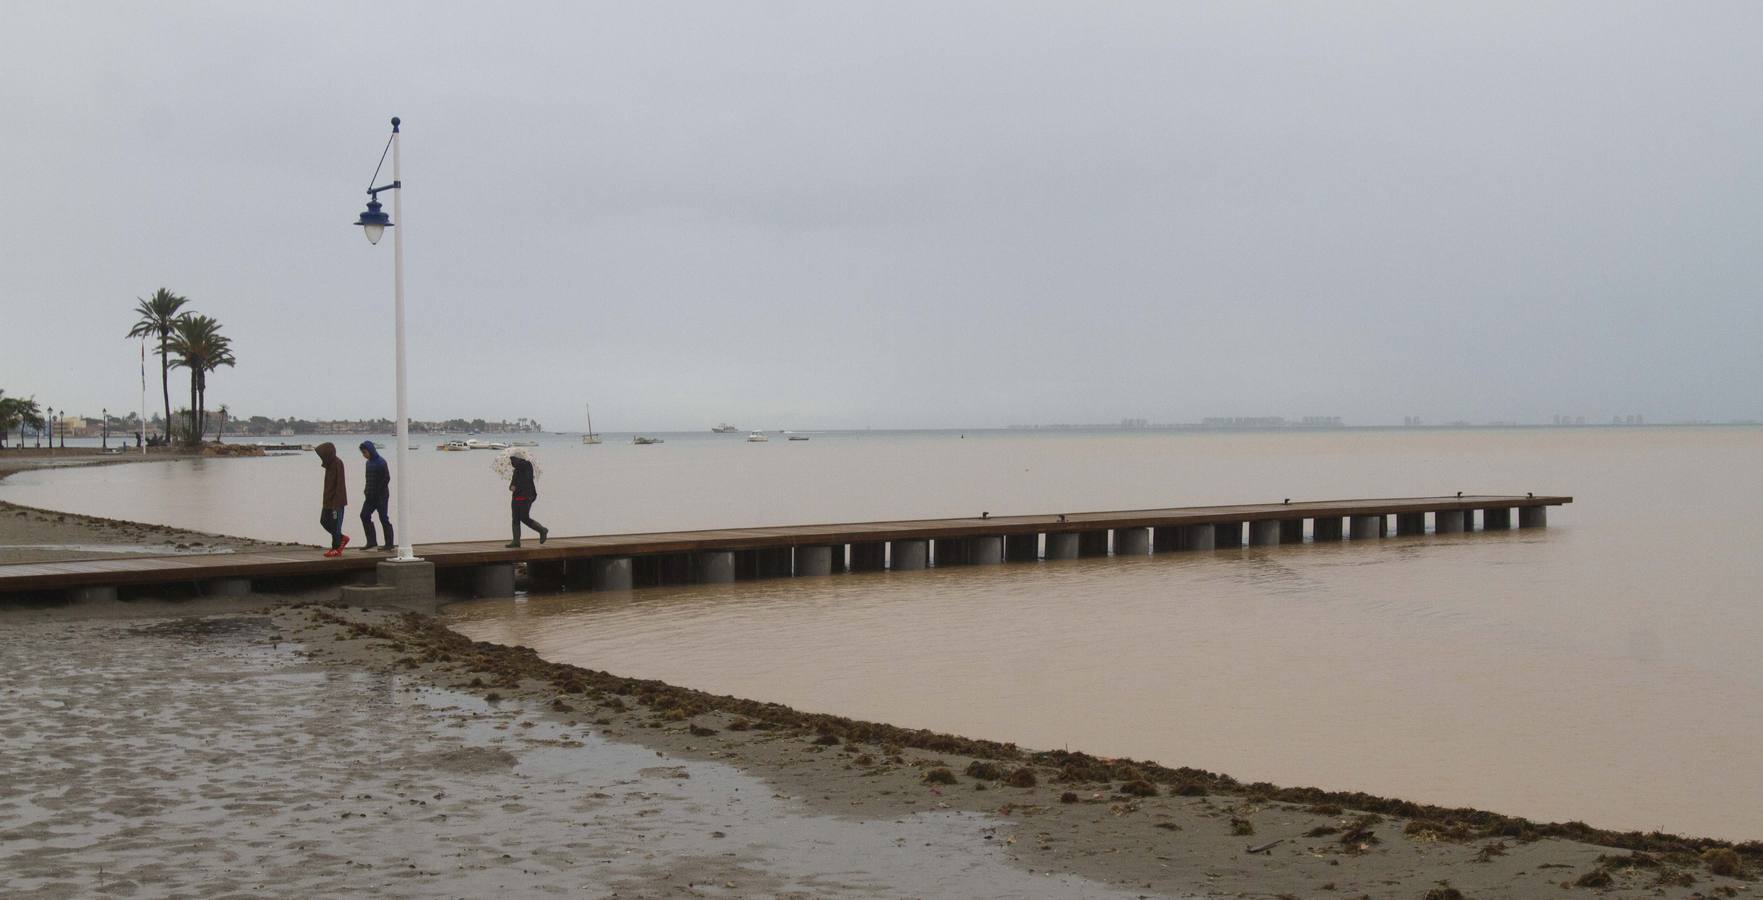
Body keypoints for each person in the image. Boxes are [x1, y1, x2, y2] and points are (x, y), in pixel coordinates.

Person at [507, 448, 548, 548]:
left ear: (518, 459)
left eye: (513, 459)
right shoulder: (516, 470)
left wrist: (517, 486)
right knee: (515, 518)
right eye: (511, 460)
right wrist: (511, 487)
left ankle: (542, 530)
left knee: (524, 517)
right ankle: (516, 541)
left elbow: (527, 479)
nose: (511, 462)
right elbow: (513, 483)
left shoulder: (527, 465)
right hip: (516, 496)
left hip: (526, 496)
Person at [315, 442, 349, 557]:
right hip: (327, 501)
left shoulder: (337, 463)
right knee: (324, 521)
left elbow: (340, 484)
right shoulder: (328, 465)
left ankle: (336, 548)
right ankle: (341, 538)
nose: (321, 458)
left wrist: (336, 502)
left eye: (322, 455)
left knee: (335, 525)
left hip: (337, 502)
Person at [358, 440, 393, 551]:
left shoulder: (381, 462)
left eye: (365, 452)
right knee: (364, 515)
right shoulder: (368, 463)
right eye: (362, 453)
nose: (364, 455)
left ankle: (389, 543)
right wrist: (366, 491)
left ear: (371, 450)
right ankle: (371, 541)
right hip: (369, 496)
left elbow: (387, 478)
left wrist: (379, 492)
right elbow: (368, 479)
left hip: (381, 496)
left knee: (383, 518)